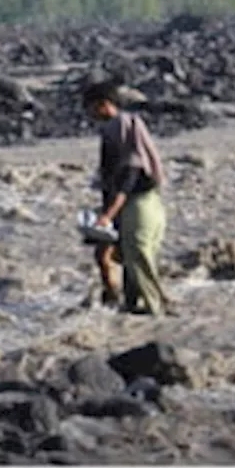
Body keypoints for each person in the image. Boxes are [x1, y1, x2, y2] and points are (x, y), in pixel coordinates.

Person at [82, 81, 172, 316]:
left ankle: (156, 310)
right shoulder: (120, 128)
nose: (89, 114)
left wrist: (107, 216)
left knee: (137, 258)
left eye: (91, 107)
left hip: (138, 206)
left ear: (104, 105)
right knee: (127, 258)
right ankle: (132, 308)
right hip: (146, 205)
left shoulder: (120, 131)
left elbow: (127, 181)